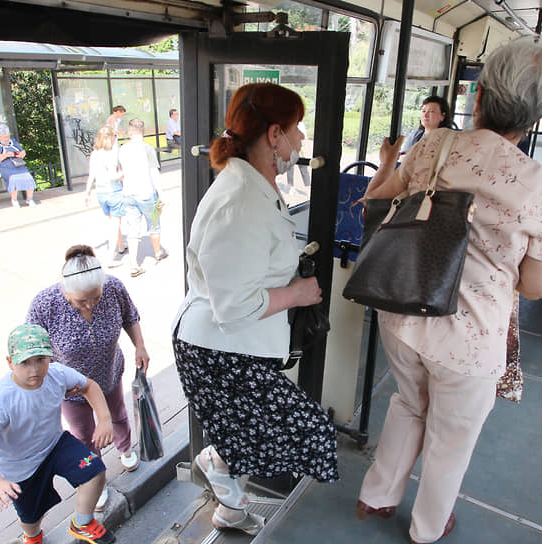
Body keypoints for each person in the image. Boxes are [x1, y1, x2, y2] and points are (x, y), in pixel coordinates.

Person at [356, 39, 542, 544]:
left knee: (409, 402)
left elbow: (377, 201)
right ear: (540, 113)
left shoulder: (433, 145)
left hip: (404, 308)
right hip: (470, 336)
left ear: (479, 99)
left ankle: (378, 495)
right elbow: (539, 288)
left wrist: (392, 161)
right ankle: (428, 527)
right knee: (451, 437)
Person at [172, 83, 338, 537]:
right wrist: (298, 294)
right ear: (273, 135)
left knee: (249, 433)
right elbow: (235, 307)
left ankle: (228, 508)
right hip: (216, 349)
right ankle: (215, 460)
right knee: (310, 436)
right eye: (297, 129)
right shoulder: (241, 201)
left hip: (235, 346)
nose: (301, 141)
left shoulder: (255, 185)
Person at [26, 244, 149, 512]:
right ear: (65, 290)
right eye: (82, 300)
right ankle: (94, 478)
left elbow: (131, 316)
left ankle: (125, 447)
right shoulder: (45, 304)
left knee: (117, 415)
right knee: (83, 434)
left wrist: (139, 345)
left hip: (108, 372)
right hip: (71, 388)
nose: (90, 304)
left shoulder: (113, 287)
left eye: (95, 297)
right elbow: (32, 348)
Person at [0, 323, 115, 544]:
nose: (34, 369)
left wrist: (104, 420)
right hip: (20, 465)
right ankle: (32, 536)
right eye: (25, 362)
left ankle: (82, 522)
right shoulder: (0, 400)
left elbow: (89, 386)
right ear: (10, 362)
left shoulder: (57, 374)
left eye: (40, 359)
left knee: (94, 471)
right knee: (31, 516)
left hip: (55, 443)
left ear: (51, 356)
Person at [118, 118, 168, 277]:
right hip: (147, 194)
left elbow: (121, 172)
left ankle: (133, 264)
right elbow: (154, 172)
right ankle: (158, 252)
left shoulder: (123, 149)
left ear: (130, 131)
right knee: (154, 223)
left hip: (128, 194)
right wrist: (161, 193)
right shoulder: (147, 149)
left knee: (133, 229)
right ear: (143, 131)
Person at [85, 126, 126, 265]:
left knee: (114, 221)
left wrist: (87, 192)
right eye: (114, 136)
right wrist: (124, 173)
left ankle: (120, 245)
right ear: (109, 137)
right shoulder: (109, 155)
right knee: (115, 224)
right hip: (113, 191)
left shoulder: (95, 153)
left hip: (101, 192)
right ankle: (110, 258)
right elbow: (113, 177)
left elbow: (92, 175)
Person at [0, 124, 38, 208]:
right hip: (5, 166)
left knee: (28, 177)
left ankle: (29, 199)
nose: (6, 138)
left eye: (7, 136)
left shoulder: (13, 141)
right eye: (4, 137)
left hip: (18, 164)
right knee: (14, 178)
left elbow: (23, 152)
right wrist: (5, 155)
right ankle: (14, 200)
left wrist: (20, 154)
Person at [285, 120, 311, 191]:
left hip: (299, 148)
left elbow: (304, 137)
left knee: (303, 167)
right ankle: (291, 186)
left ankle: (308, 186)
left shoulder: (300, 124)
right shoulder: (290, 123)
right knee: (290, 168)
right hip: (291, 148)